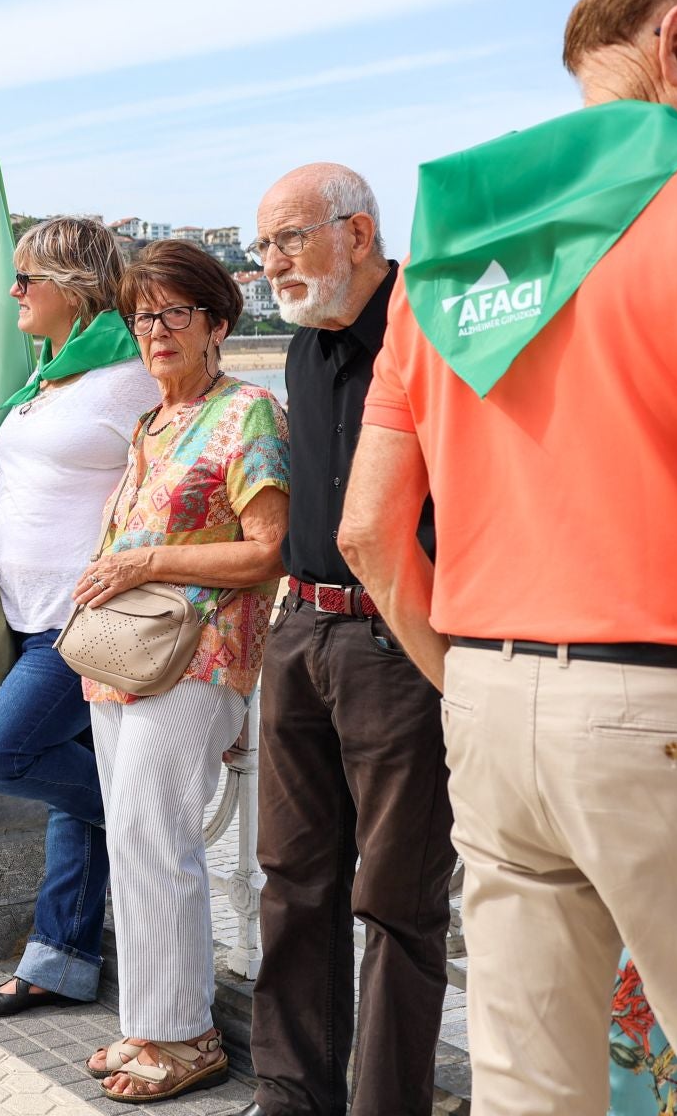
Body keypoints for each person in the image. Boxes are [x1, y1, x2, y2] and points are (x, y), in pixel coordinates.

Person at [339, 0, 677, 1114]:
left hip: (492, 704)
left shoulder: (444, 255)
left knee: (529, 1087)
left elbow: (365, 528)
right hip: (672, 702)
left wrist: (466, 678)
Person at [232, 167, 454, 1116]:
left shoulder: (431, 325)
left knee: (398, 898)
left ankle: (386, 1105)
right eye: (262, 249)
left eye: (287, 240)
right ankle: (292, 1091)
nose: (270, 264)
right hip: (302, 630)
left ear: (357, 233)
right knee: (291, 874)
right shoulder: (299, 347)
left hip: (398, 637)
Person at [64, 241, 287, 1102]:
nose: (154, 330)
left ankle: (188, 1036)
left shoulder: (249, 414)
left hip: (200, 656)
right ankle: (149, 1023)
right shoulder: (147, 425)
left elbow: (269, 551)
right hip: (123, 657)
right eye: (141, 315)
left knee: (158, 837)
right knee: (133, 837)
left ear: (217, 323)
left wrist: (145, 562)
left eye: (173, 313)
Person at [0, 218, 159, 1018]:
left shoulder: (128, 378)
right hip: (22, 611)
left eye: (25, 278)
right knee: (69, 805)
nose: (10, 294)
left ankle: (141, 810)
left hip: (81, 623)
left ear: (73, 287)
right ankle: (61, 961)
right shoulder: (51, 377)